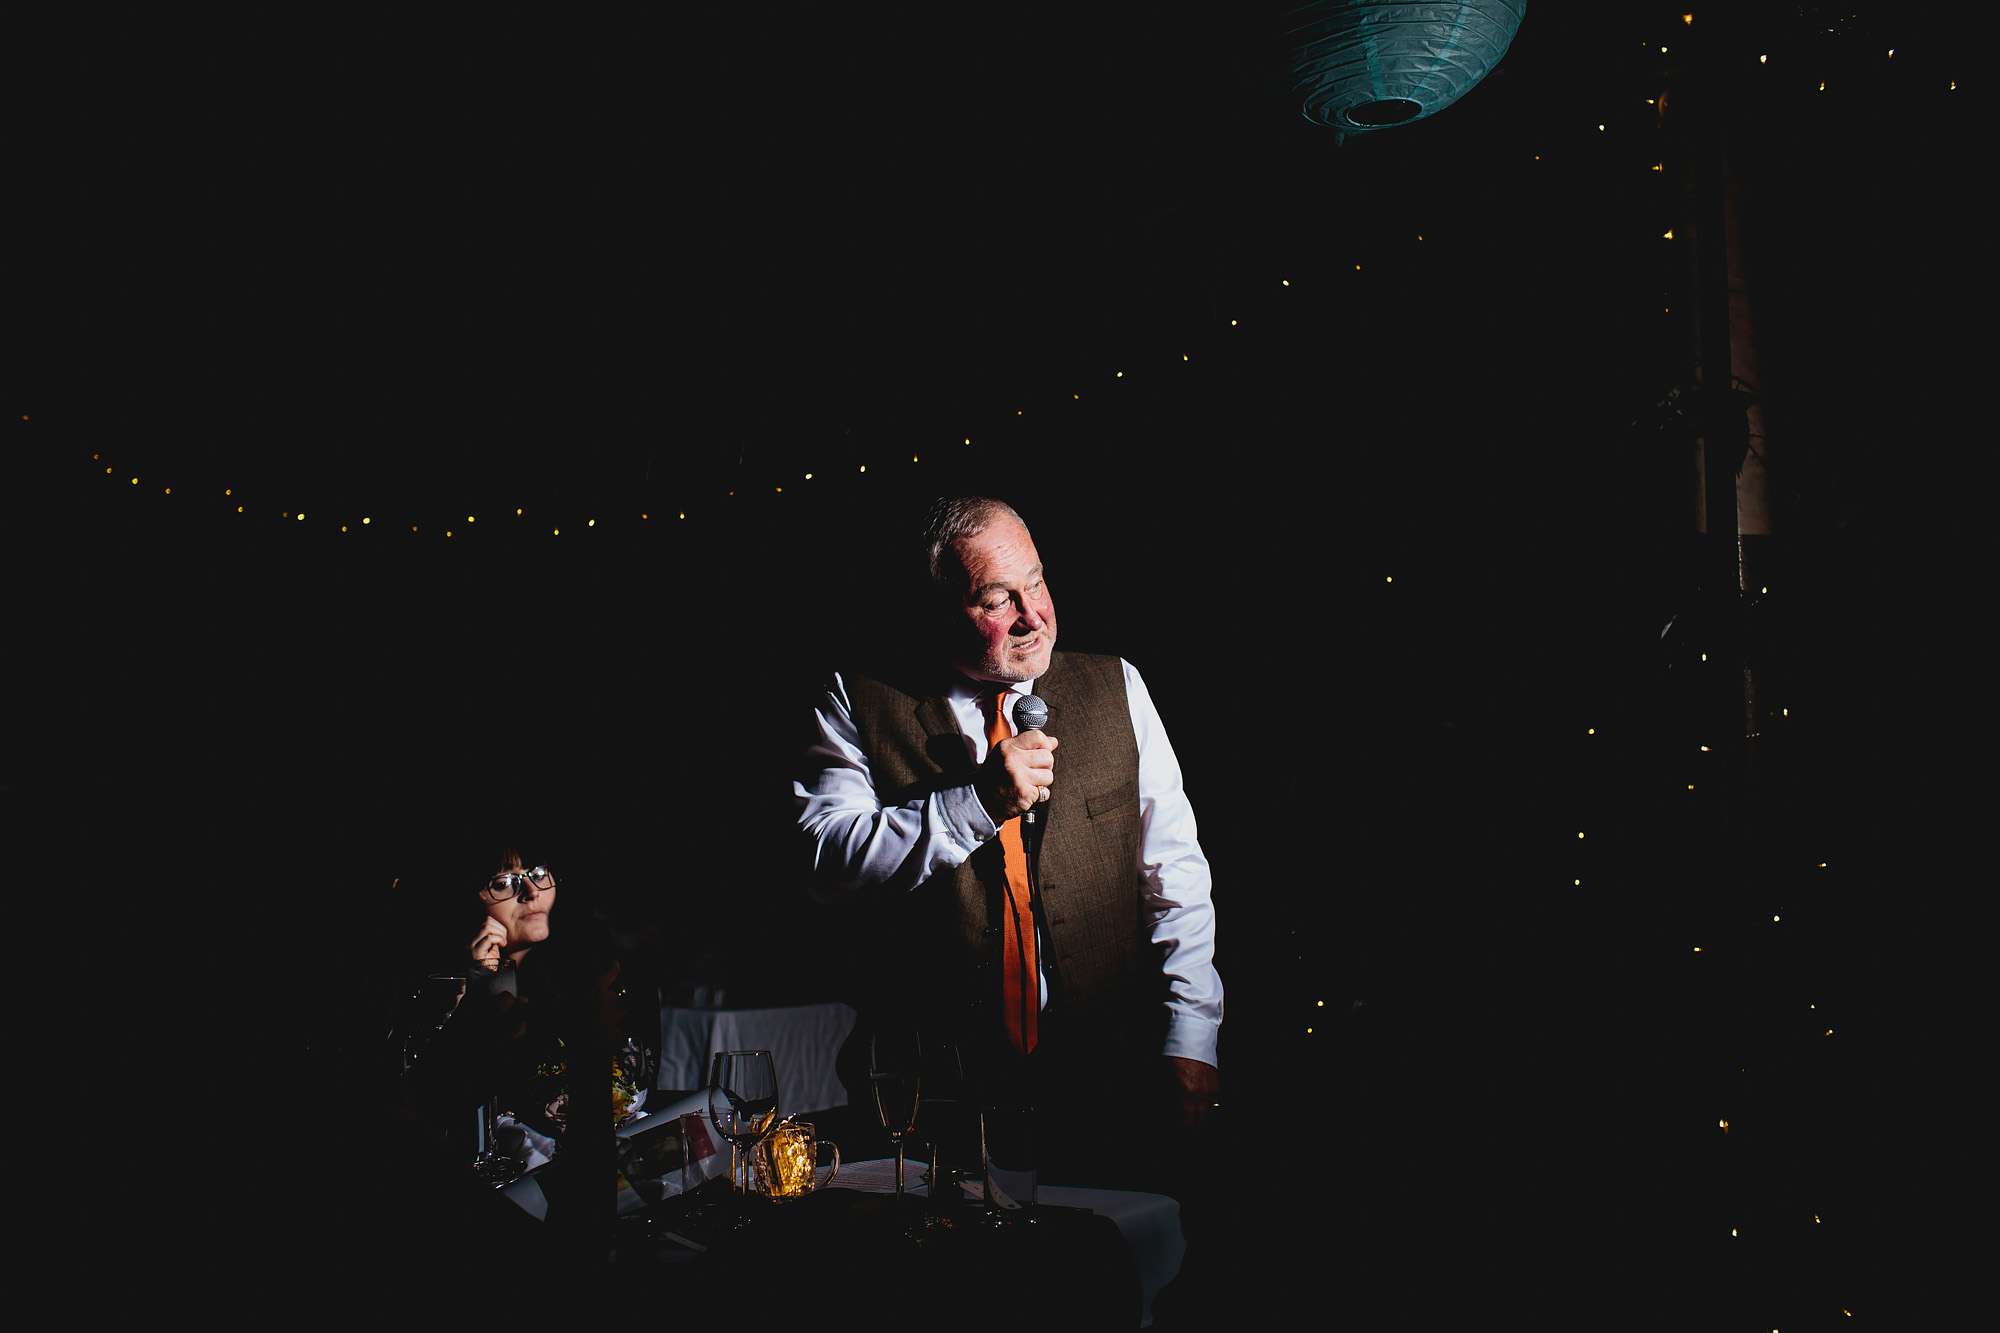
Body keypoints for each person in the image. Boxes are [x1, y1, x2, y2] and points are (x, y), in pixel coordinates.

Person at [794, 496, 1222, 1191]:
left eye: (1038, 582)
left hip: (1108, 1081)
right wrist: (976, 803)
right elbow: (825, 858)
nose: (1034, 615)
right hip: (930, 1099)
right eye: (999, 598)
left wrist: (1191, 1037)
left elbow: (1175, 877)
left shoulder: (1117, 686)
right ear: (938, 608)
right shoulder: (858, 698)